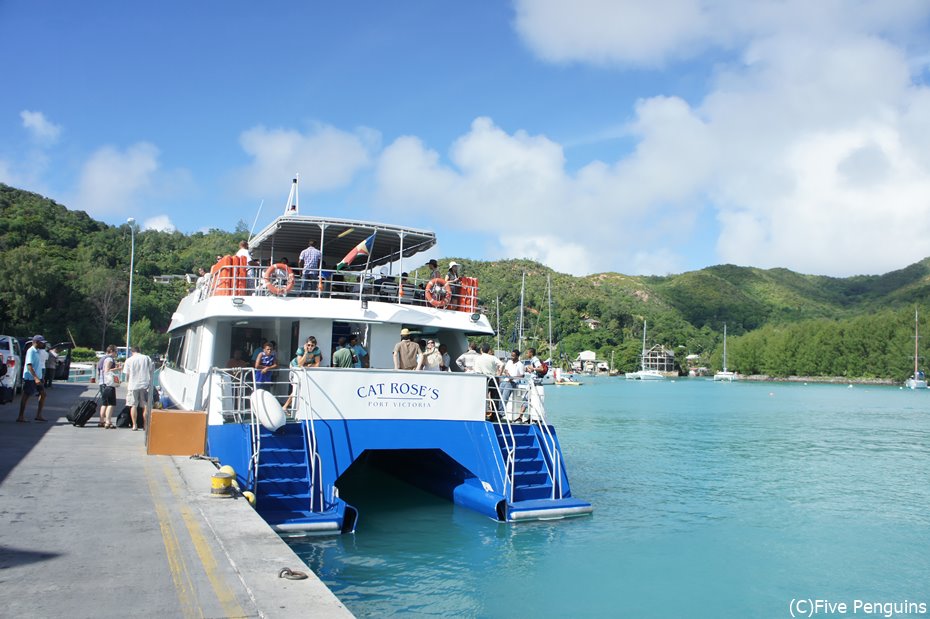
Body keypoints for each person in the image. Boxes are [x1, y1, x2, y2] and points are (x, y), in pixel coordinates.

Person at [16, 335, 48, 423]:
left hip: (38, 377)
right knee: (26, 395)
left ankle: (39, 415)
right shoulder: (31, 351)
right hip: (30, 377)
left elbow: (38, 365)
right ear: (37, 342)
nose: (43, 344)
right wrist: (35, 378)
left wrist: (41, 377)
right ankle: (20, 416)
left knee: (43, 394)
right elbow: (29, 365)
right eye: (42, 343)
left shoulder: (37, 351)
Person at [123, 346, 153, 431]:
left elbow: (127, 374)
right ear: (140, 350)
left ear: (132, 352)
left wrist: (128, 383)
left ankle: (134, 425)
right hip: (145, 384)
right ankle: (145, 425)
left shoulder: (129, 360)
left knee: (133, 405)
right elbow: (151, 369)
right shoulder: (147, 358)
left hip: (133, 385)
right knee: (145, 405)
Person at [473, 343, 504, 419]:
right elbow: (502, 364)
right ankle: (493, 416)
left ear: (481, 350)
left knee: (481, 397)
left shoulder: (477, 358)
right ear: (489, 350)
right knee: (495, 398)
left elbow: (476, 369)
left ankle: (481, 415)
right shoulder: (493, 358)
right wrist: (499, 374)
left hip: (482, 379)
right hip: (493, 378)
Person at [99, 345, 120, 428]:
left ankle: (101, 421)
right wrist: (118, 369)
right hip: (108, 384)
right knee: (111, 403)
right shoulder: (110, 359)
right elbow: (107, 370)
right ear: (111, 351)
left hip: (102, 382)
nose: (116, 354)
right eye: (116, 352)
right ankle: (108, 421)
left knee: (104, 403)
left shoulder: (103, 358)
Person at [500, 349, 526, 421]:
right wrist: (507, 374)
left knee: (505, 397)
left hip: (513, 382)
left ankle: (501, 414)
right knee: (498, 394)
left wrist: (513, 378)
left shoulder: (520, 365)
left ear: (517, 356)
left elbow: (522, 375)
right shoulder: (509, 362)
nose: (512, 357)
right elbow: (506, 370)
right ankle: (497, 412)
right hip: (505, 380)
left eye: (513, 356)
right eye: (511, 356)